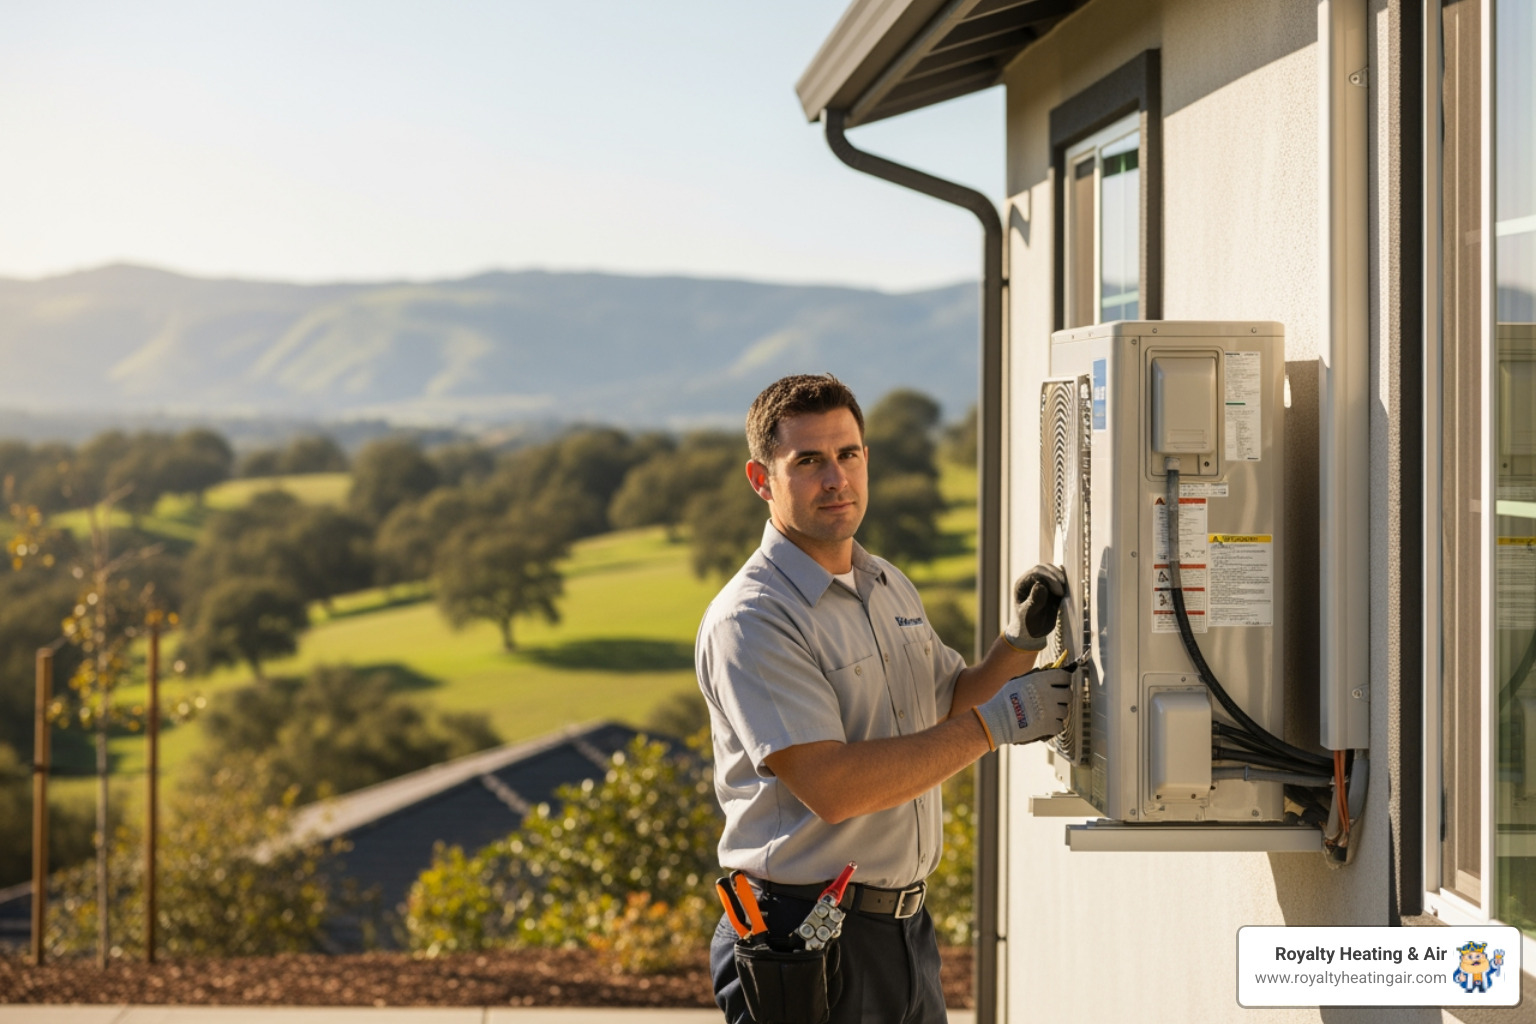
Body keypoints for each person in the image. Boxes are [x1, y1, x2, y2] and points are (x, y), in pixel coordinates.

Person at [696, 373, 1073, 1024]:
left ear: (867, 459)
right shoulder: (754, 618)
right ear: (762, 479)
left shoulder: (885, 583)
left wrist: (1020, 642)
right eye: (808, 461)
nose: (835, 478)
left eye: (847, 454)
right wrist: (1001, 723)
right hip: (799, 939)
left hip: (903, 932)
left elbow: (950, 702)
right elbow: (833, 788)